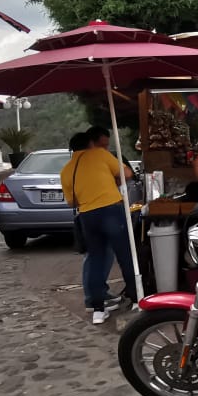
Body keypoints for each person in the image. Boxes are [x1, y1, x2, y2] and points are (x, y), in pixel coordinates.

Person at [61, 128, 139, 324]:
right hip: (111, 210)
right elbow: (128, 173)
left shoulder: (67, 169)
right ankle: (137, 299)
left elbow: (71, 202)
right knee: (125, 255)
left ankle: (98, 309)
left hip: (88, 216)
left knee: (96, 258)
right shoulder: (100, 155)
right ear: (90, 144)